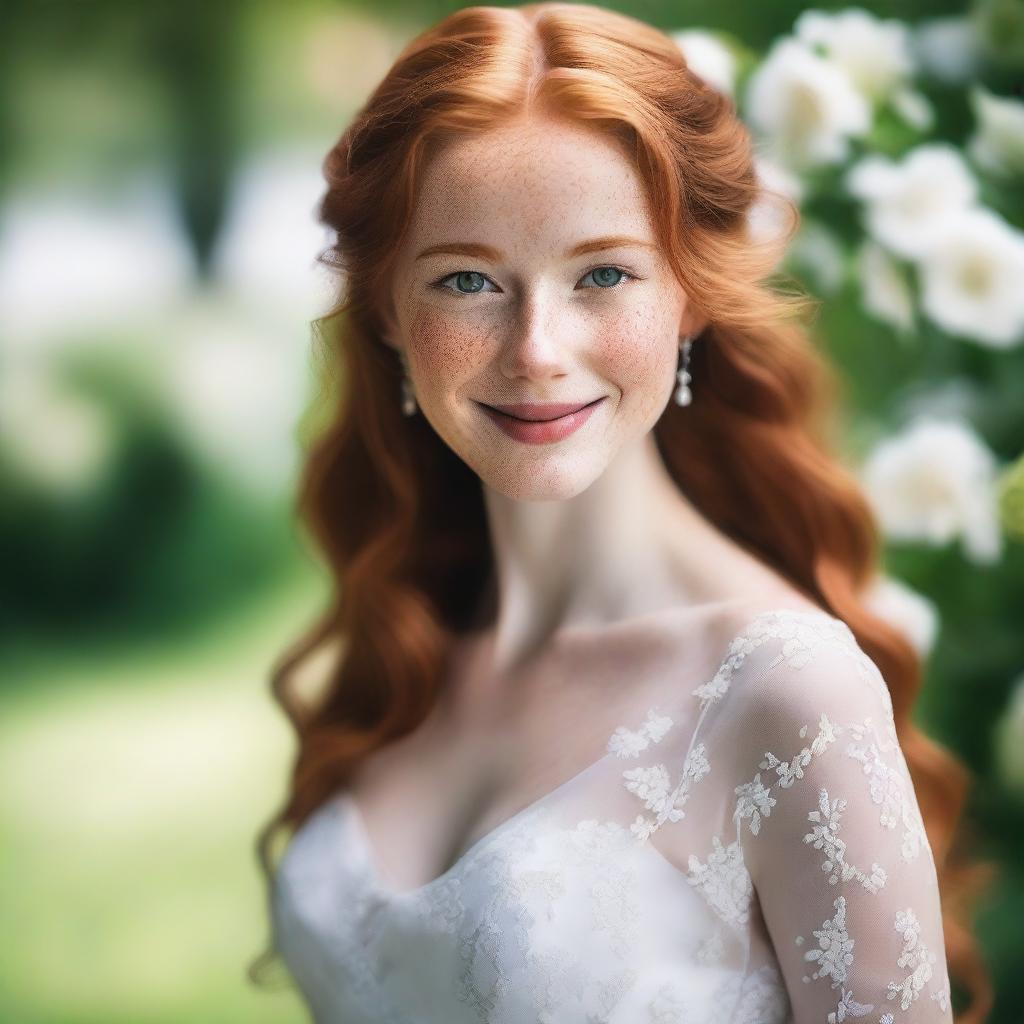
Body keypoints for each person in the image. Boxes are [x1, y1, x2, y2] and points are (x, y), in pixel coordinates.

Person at [248, 3, 991, 1022]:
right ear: (386, 314)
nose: (537, 348)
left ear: (687, 295)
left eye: (602, 272)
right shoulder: (415, 637)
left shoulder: (786, 692)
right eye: (466, 279)